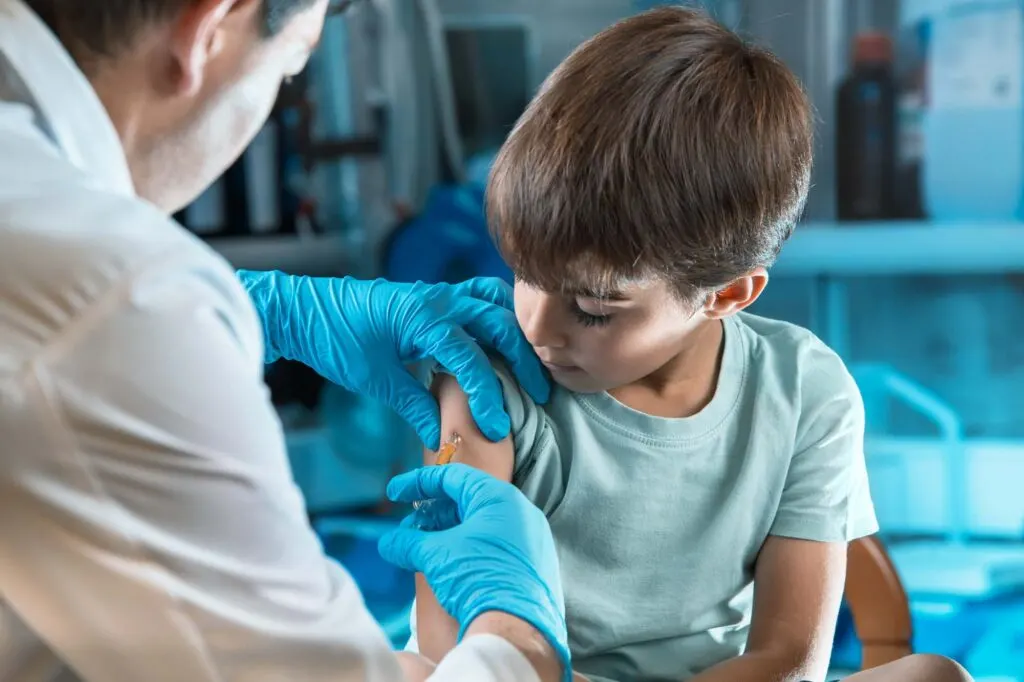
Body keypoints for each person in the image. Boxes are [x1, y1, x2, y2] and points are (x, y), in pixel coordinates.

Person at [0, 0, 573, 680]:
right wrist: (518, 637)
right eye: (289, 70)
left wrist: (268, 308)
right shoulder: (110, 301)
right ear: (210, 28)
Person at [406, 8, 974, 682]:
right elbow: (455, 645)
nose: (535, 327)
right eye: (525, 274)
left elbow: (789, 656)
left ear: (726, 295)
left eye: (591, 309)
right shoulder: (486, 374)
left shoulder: (804, 393)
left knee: (933, 676)